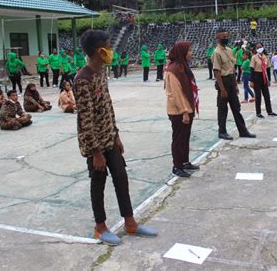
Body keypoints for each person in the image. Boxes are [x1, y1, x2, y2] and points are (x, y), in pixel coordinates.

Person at [74, 29, 157, 245]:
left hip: (109, 137)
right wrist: (96, 152)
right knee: (98, 182)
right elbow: (86, 119)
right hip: (95, 144)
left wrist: (116, 134)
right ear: (98, 51)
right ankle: (100, 227)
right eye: (108, 47)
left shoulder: (101, 73)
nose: (111, 50)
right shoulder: (82, 79)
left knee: (121, 177)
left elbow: (108, 106)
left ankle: (130, 223)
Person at [212, 28, 256, 140]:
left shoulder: (229, 50)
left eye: (226, 36)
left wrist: (236, 85)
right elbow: (217, 72)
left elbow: (231, 69)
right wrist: (222, 89)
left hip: (231, 81)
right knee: (223, 109)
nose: (225, 38)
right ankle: (222, 131)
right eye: (223, 37)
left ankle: (243, 131)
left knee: (236, 108)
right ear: (218, 38)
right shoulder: (217, 53)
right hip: (223, 82)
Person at [165, 41, 200, 178]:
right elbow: (176, 93)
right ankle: (177, 166)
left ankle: (184, 161)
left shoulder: (183, 67)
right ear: (182, 53)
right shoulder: (173, 70)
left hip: (187, 108)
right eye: (189, 51)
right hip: (179, 111)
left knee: (185, 138)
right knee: (179, 139)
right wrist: (184, 111)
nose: (191, 53)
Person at [250, 43, 277, 119]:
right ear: (256, 49)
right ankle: (258, 112)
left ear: (263, 47)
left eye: (260, 47)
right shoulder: (254, 57)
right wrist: (251, 81)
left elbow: (268, 69)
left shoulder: (266, 57)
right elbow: (252, 70)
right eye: (258, 47)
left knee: (267, 95)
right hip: (256, 76)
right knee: (258, 96)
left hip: (264, 76)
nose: (259, 48)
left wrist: (268, 79)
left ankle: (269, 111)